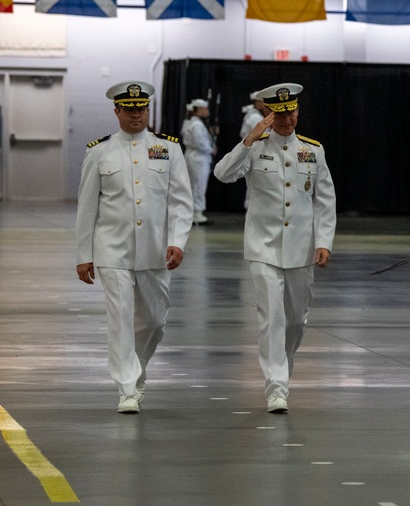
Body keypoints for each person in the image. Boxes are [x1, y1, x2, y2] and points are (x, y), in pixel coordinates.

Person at [213, 83, 337, 413]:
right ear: (268, 114)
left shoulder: (314, 150)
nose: (286, 120)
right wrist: (248, 139)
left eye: (291, 113)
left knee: (295, 321)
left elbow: (325, 200)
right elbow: (222, 174)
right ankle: (276, 387)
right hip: (263, 247)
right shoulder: (254, 148)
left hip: (301, 249)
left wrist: (324, 241)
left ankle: (282, 372)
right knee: (272, 317)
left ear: (298, 112)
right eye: (279, 114)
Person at [76, 80, 193, 414]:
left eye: (140, 109)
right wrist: (84, 256)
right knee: (121, 318)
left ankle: (136, 370)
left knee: (154, 322)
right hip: (112, 250)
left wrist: (177, 241)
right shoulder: (99, 151)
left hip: (156, 251)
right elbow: (87, 207)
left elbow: (181, 201)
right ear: (117, 112)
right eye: (128, 110)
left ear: (148, 110)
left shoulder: (168, 149)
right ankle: (127, 388)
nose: (135, 115)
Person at [181, 98, 215, 226]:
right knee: (199, 185)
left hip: (192, 156)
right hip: (199, 157)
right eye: (205, 109)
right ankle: (197, 212)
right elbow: (200, 143)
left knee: (194, 184)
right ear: (199, 110)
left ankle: (193, 211)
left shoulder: (189, 123)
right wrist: (211, 150)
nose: (207, 111)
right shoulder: (197, 125)